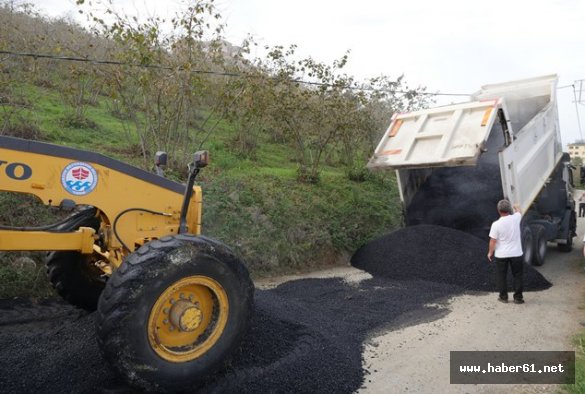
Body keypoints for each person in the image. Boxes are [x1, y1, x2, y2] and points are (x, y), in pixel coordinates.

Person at [487, 199, 524, 304]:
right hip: (516, 254)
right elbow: (519, 211)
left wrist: (490, 253)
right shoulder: (516, 218)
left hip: (501, 255)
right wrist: (516, 205)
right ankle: (518, 298)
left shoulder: (496, 224)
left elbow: (493, 241)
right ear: (509, 209)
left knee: (502, 276)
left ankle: (503, 297)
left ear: (498, 210)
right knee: (518, 275)